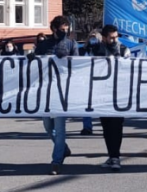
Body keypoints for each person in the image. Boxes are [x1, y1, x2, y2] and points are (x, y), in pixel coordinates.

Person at [35, 15, 78, 175]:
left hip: (62, 91)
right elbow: (35, 65)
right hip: (46, 91)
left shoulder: (71, 44)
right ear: (54, 29)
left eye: (66, 29)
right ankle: (63, 148)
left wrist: (66, 61)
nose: (64, 32)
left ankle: (56, 161)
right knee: (48, 126)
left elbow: (77, 65)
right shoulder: (44, 45)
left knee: (60, 128)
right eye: (62, 30)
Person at [91, 25, 131, 171]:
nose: (114, 40)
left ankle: (115, 156)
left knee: (116, 126)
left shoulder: (124, 50)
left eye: (116, 37)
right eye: (111, 38)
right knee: (106, 127)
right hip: (102, 94)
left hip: (119, 94)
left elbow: (130, 69)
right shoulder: (96, 50)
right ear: (104, 38)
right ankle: (112, 155)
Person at [80, 31, 102, 136]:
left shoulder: (102, 49)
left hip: (100, 81)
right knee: (86, 105)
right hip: (86, 81)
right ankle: (87, 127)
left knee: (101, 104)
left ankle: (106, 126)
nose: (92, 39)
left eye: (95, 37)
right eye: (91, 37)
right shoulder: (83, 50)